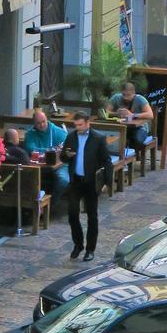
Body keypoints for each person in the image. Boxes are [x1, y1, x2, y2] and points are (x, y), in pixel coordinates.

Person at [61, 111, 113, 263]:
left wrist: (106, 182)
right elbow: (63, 157)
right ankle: (78, 244)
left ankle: (90, 249)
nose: (78, 128)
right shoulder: (71, 137)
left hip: (91, 182)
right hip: (76, 181)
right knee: (72, 213)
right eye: (76, 125)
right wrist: (67, 156)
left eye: (80, 125)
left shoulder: (98, 138)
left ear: (88, 123)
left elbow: (107, 161)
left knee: (92, 216)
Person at [24, 111, 70, 203]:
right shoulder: (30, 134)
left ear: (47, 120)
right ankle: (33, 207)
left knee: (64, 180)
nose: (42, 125)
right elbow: (30, 148)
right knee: (27, 178)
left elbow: (67, 148)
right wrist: (52, 149)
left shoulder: (59, 132)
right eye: (38, 123)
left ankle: (50, 205)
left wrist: (42, 150)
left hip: (60, 165)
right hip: (39, 165)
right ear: (34, 123)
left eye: (43, 121)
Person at [108, 81, 154, 150]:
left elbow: (150, 115)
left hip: (140, 127)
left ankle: (134, 156)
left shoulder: (140, 99)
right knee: (111, 139)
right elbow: (106, 112)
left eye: (128, 95)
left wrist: (133, 115)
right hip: (122, 126)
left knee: (137, 140)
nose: (126, 98)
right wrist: (117, 114)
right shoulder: (116, 98)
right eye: (124, 94)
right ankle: (121, 157)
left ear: (134, 93)